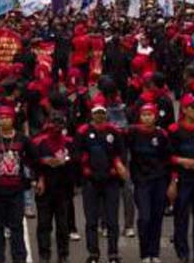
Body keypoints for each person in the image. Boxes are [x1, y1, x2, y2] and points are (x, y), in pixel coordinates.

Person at [0, 105, 38, 263]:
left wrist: (34, 178)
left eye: (7, 117)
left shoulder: (22, 139)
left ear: (13, 119)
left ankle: (19, 257)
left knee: (16, 226)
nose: (4, 120)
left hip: (16, 190)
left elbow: (34, 160)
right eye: (2, 117)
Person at [76, 95, 127, 263]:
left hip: (110, 181)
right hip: (91, 182)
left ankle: (113, 253)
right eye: (96, 112)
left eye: (102, 112)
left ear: (106, 114)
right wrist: (86, 172)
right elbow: (79, 155)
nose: (99, 115)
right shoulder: (83, 132)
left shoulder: (114, 132)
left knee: (112, 220)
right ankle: (93, 254)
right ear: (92, 114)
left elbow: (121, 154)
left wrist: (116, 169)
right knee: (91, 221)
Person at [168, 93, 194, 263]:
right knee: (181, 217)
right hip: (183, 179)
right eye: (192, 107)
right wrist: (182, 162)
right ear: (184, 110)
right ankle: (182, 252)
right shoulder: (174, 130)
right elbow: (169, 156)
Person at [126, 102, 169, 263]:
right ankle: (144, 253)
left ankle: (154, 253)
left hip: (159, 180)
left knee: (157, 217)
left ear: (155, 116)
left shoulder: (161, 135)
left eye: (150, 115)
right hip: (141, 181)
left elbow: (167, 157)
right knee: (145, 217)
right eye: (144, 115)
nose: (146, 118)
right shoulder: (133, 133)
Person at [33, 111, 75, 263]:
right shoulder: (39, 142)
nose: (56, 126)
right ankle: (44, 255)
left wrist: (65, 160)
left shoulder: (69, 142)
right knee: (44, 223)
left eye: (59, 123)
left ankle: (63, 255)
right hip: (44, 187)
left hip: (63, 188)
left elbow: (75, 160)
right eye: (54, 123)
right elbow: (33, 162)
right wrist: (43, 167)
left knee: (62, 225)